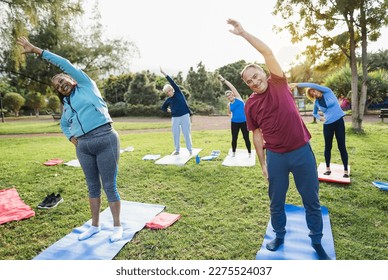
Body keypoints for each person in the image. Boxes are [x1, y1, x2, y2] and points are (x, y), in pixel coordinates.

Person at [227, 19, 330, 260]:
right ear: (247, 85)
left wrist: (243, 33)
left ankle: (316, 241)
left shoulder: (279, 83)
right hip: (276, 157)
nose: (254, 81)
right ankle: (279, 235)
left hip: (301, 152)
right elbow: (257, 134)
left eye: (256, 75)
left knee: (311, 200)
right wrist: (263, 163)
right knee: (276, 202)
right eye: (249, 81)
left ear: (263, 72)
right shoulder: (251, 104)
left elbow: (267, 51)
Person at [17, 37, 123, 242]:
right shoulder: (67, 104)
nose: (61, 83)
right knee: (92, 186)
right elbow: (65, 124)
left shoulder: (86, 85)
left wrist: (37, 50)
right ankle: (94, 226)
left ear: (72, 78)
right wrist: (70, 138)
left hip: (105, 139)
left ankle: (117, 226)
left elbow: (64, 63)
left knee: (109, 185)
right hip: (83, 147)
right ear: (59, 91)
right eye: (57, 85)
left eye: (62, 79)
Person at [291, 83, 349, 178]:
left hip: (339, 122)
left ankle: (345, 170)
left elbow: (311, 84)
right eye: (311, 93)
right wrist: (320, 118)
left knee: (341, 146)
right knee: (328, 147)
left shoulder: (328, 92)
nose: (313, 94)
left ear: (317, 89)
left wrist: (297, 84)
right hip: (327, 125)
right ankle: (327, 169)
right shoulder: (317, 103)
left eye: (313, 91)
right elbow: (314, 113)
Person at [160, 67, 193, 156]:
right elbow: (163, 108)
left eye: (169, 91)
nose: (169, 93)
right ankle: (177, 150)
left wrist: (164, 73)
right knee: (175, 134)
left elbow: (172, 81)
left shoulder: (178, 92)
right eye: (167, 92)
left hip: (184, 116)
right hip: (175, 118)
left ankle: (190, 150)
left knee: (186, 133)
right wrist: (169, 110)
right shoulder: (168, 100)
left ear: (172, 89)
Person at [218, 74, 252, 157]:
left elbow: (232, 87)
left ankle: (250, 153)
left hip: (244, 122)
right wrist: (231, 115)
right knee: (234, 138)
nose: (229, 97)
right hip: (234, 123)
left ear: (233, 94)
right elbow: (229, 113)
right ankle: (233, 153)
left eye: (230, 95)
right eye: (227, 96)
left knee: (246, 138)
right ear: (227, 98)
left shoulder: (238, 98)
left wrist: (224, 80)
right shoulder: (229, 104)